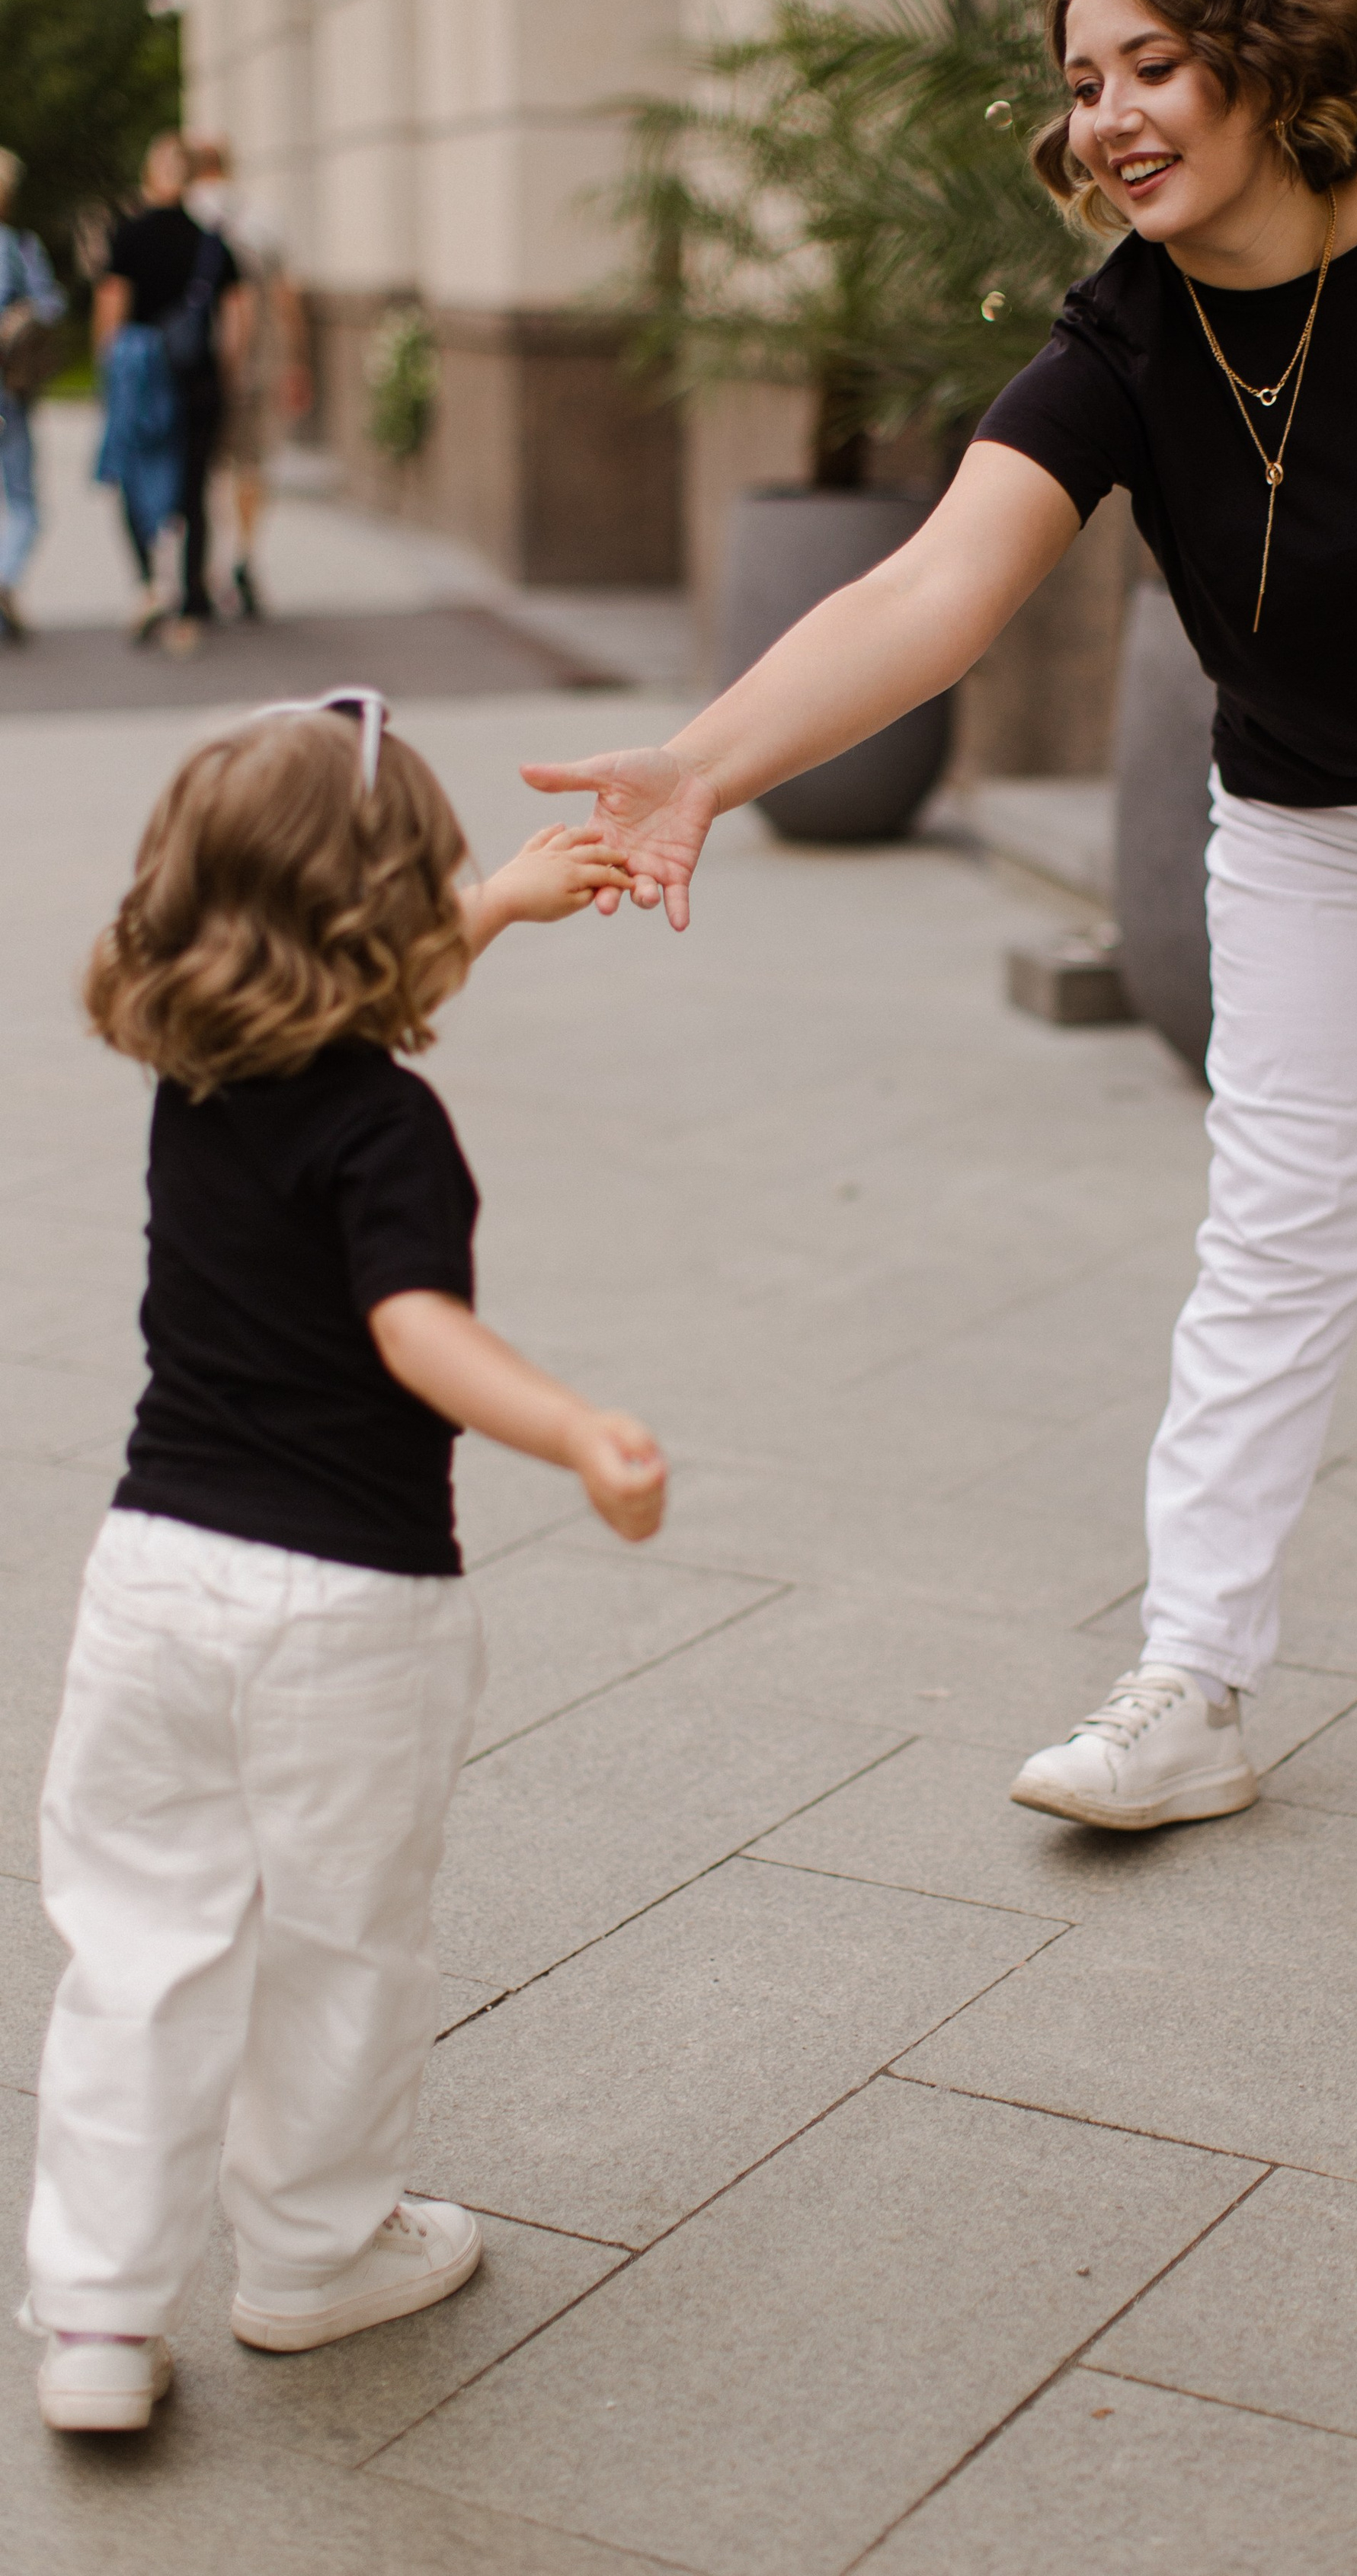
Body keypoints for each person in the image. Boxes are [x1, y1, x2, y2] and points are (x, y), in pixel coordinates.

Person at [522, 0, 1357, 1833]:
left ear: (1267, 59)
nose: (1107, 115)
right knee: (1272, 1252)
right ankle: (1190, 1680)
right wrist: (702, 764)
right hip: (1310, 830)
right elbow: (934, 587)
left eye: (1148, 66)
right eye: (1077, 83)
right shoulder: (1122, 332)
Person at [24, 692, 662, 2434]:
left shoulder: (198, 1061)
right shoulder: (388, 1131)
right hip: (350, 1610)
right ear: (375, 923)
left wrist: (491, 910)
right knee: (337, 1939)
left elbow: (315, 964)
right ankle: (309, 2254)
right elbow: (414, 1326)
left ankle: (91, 2312)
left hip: (151, 1579)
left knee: (139, 1939)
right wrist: (574, 1428)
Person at [94, 131, 242, 651]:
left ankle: (148, 583)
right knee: (194, 487)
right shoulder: (210, 240)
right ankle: (193, 593)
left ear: (152, 176)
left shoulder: (129, 236)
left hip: (141, 378)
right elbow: (234, 322)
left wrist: (108, 372)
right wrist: (222, 373)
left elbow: (112, 308)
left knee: (135, 477)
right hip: (196, 379)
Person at [186, 135, 312, 618]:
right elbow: (285, 298)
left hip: (196, 364)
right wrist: (298, 361)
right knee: (252, 463)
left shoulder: (182, 218)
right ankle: (244, 554)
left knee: (205, 466)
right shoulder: (262, 217)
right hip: (257, 361)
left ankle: (205, 564)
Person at [0, 148, 67, 643]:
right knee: (23, 500)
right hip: (9, 389)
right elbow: (50, 305)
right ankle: (4, 578)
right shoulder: (20, 247)